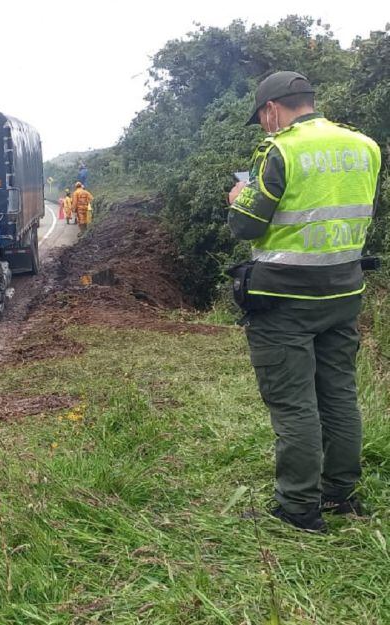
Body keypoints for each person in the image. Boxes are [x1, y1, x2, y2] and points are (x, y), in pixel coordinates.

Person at [227, 71, 381, 532]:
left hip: (283, 299)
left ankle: (298, 508)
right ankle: (341, 494)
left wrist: (239, 197)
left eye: (261, 119)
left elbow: (247, 226)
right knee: (339, 395)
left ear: (271, 109)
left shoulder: (280, 149)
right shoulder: (365, 146)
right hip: (344, 292)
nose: (264, 127)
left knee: (294, 404)